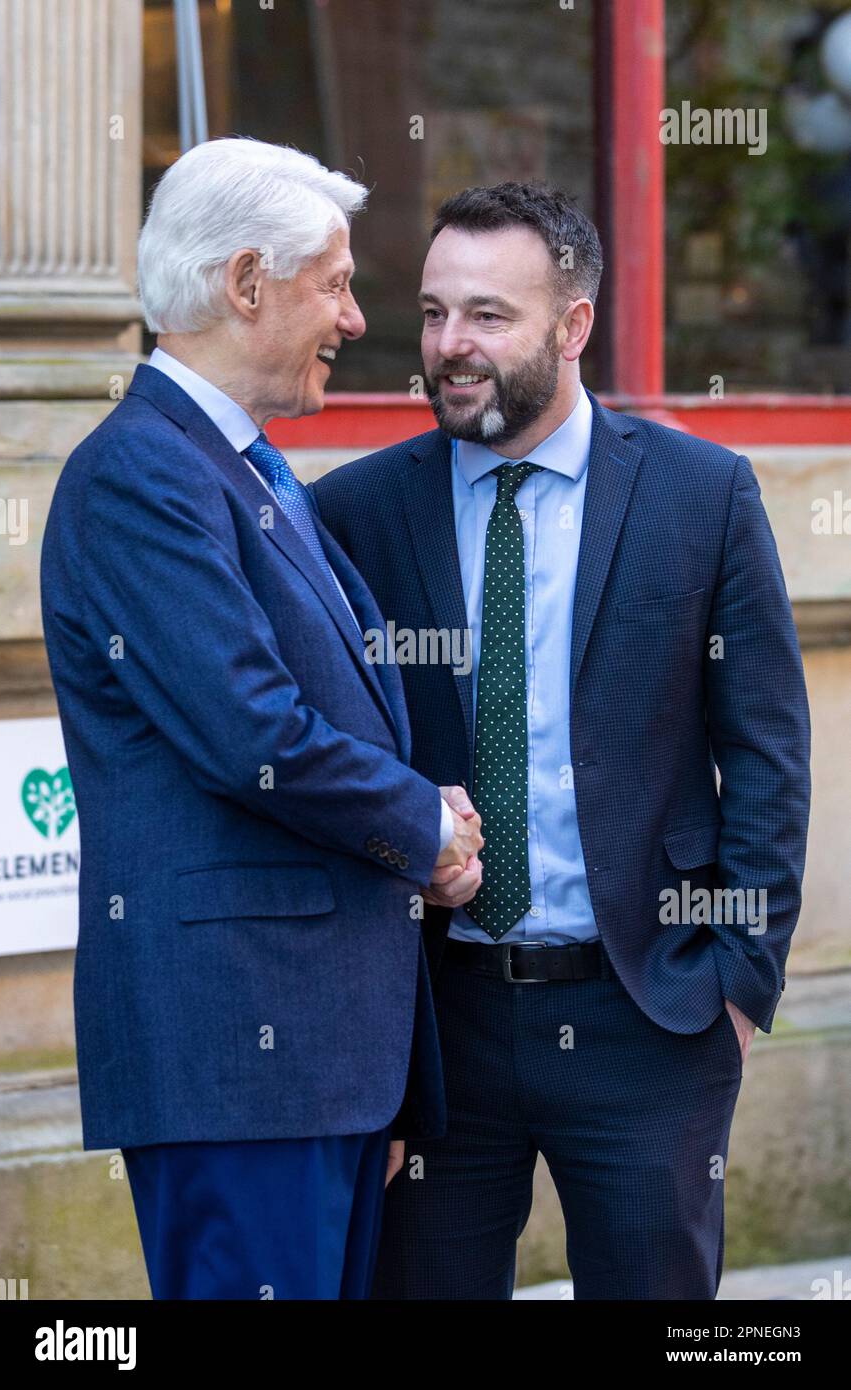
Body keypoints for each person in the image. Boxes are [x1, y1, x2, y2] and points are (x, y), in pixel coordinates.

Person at [312, 181, 812, 1300]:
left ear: (573, 323)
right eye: (434, 314)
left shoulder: (702, 494)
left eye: (487, 314)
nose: (449, 345)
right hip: (437, 1029)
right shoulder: (353, 512)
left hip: (649, 1015)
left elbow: (768, 753)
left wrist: (736, 983)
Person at [39, 138, 482, 1301]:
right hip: (240, 1057)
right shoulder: (141, 473)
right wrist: (423, 827)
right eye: (331, 280)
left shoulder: (244, 468)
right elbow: (253, 734)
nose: (351, 313)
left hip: (322, 1063)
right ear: (245, 285)